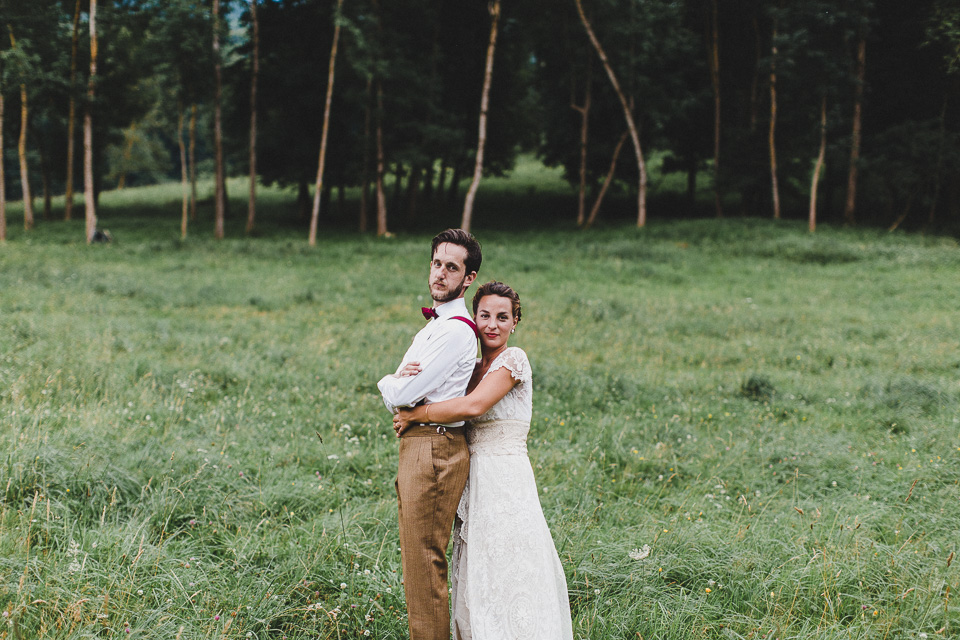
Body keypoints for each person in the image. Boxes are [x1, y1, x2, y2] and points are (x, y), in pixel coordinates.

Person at [393, 282, 573, 640]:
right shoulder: (471, 367)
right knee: (479, 567)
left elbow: (473, 406)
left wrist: (417, 414)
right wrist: (405, 383)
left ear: (515, 322)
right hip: (472, 478)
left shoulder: (513, 359)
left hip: (506, 476)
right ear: (473, 319)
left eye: (502, 317)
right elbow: (437, 388)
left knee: (512, 564)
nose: (492, 324)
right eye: (485, 315)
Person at [377, 229, 482, 640]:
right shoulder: (436, 327)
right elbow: (402, 394)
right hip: (423, 443)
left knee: (424, 564)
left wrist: (387, 382)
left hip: (435, 447)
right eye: (436, 263)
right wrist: (398, 390)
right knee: (419, 564)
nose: (440, 274)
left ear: (467, 278)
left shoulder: (456, 330)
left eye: (451, 267)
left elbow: (401, 392)